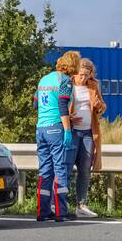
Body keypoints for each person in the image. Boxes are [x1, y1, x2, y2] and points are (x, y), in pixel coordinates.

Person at [34, 51, 80, 222]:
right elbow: (62, 106)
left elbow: (35, 103)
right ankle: (61, 212)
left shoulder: (44, 79)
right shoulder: (65, 81)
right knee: (60, 169)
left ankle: (43, 211)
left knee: (45, 170)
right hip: (55, 128)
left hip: (41, 128)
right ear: (72, 65)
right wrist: (67, 130)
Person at [67, 57, 106, 218]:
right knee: (67, 168)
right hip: (72, 131)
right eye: (81, 75)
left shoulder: (93, 86)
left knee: (85, 169)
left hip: (89, 133)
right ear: (75, 73)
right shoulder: (68, 85)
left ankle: (81, 205)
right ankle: (60, 204)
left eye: (87, 75)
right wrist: (69, 118)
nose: (83, 78)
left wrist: (98, 106)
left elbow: (102, 107)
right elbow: (60, 107)